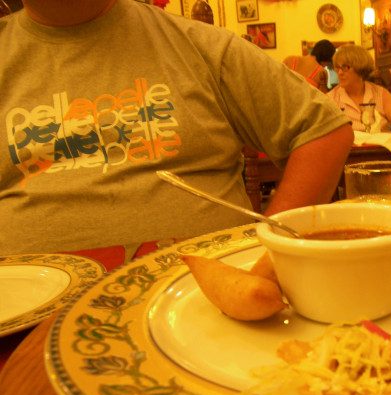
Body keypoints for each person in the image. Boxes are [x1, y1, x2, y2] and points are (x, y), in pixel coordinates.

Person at [0, 0, 353, 256]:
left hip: (202, 308)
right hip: (24, 317)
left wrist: (268, 251)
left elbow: (323, 129)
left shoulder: (201, 46)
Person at [327, 44, 391, 134]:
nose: (340, 72)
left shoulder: (380, 94)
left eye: (345, 67)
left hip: (379, 146)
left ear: (360, 68)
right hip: (349, 147)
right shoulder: (330, 99)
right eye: (337, 67)